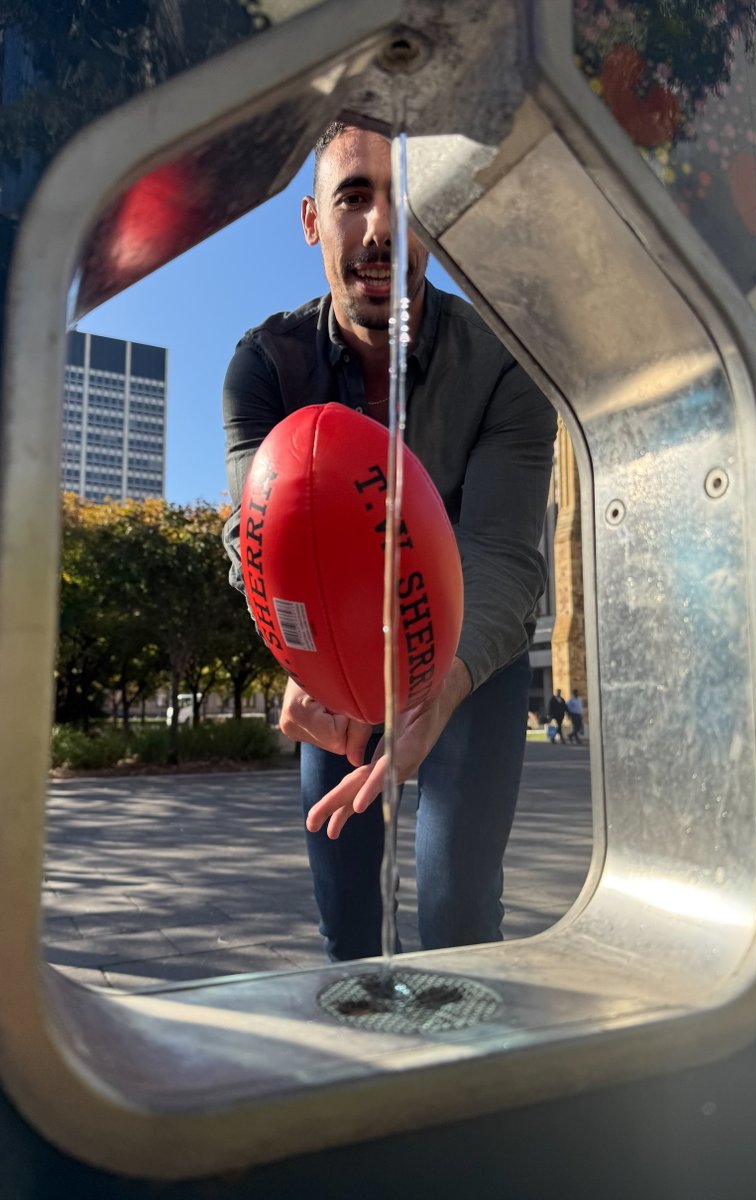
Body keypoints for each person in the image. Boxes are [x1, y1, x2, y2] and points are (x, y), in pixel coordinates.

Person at [222, 122, 557, 960]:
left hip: (472, 659)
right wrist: (298, 655)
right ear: (312, 221)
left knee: (456, 915)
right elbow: (254, 536)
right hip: (338, 662)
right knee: (346, 926)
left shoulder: (507, 364)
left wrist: (437, 688)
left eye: (407, 200)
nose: (381, 227)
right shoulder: (264, 367)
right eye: (354, 196)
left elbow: (503, 554)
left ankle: (464, 1040)